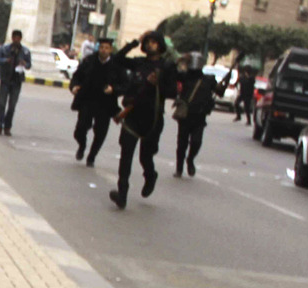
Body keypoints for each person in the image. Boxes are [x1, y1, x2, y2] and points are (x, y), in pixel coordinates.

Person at [108, 30, 176, 209]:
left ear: (160, 45)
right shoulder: (139, 62)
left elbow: (173, 92)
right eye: (148, 42)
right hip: (132, 115)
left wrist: (158, 84)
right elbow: (116, 59)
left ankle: (150, 175)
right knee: (126, 155)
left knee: (145, 156)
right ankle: (122, 193)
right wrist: (134, 43)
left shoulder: (167, 66)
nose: (150, 45)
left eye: (154, 42)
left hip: (152, 117)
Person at [69, 37, 123, 166]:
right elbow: (76, 77)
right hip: (87, 100)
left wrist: (113, 89)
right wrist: (74, 86)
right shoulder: (89, 61)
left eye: (107, 48)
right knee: (80, 129)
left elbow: (125, 84)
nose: (104, 50)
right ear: (98, 48)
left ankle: (92, 156)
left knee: (101, 132)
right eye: (102, 47)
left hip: (105, 104)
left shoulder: (116, 65)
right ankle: (82, 145)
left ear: (110, 50)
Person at [172, 51, 219, 177]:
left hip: (200, 116)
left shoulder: (209, 79)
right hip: (185, 115)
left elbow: (219, 92)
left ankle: (190, 159)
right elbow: (171, 71)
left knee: (196, 142)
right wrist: (180, 59)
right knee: (181, 144)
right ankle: (179, 168)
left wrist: (224, 84)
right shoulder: (184, 76)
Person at [0, 29, 31, 135]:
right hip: (5, 79)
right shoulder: (4, 49)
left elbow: (29, 65)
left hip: (17, 81)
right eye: (15, 38)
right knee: (2, 104)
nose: (16, 40)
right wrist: (6, 60)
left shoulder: (25, 51)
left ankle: (7, 126)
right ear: (12, 38)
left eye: (18, 38)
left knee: (12, 106)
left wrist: (24, 63)